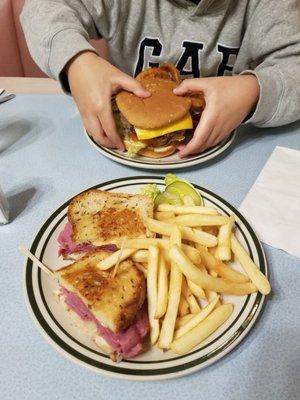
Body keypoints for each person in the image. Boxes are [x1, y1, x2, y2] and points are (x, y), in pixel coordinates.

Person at [21, 0, 300, 157]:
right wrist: (76, 61)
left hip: (231, 152)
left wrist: (253, 90)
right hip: (115, 156)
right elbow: (41, 9)